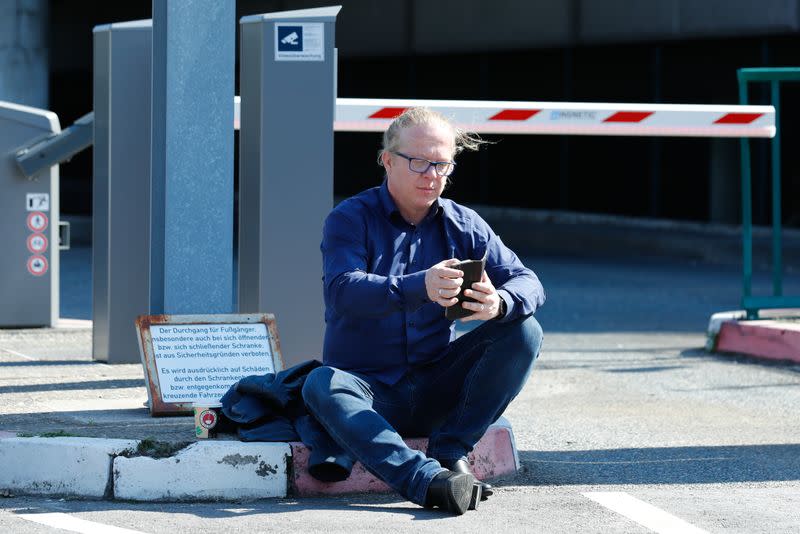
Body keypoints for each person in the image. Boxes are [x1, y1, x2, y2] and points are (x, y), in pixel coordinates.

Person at [302, 107, 545, 515]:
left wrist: (498, 302)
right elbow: (342, 290)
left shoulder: (464, 223)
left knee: (525, 329)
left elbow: (529, 281)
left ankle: (451, 448)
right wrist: (421, 285)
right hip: (368, 390)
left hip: (436, 384)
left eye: (442, 164)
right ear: (387, 160)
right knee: (321, 384)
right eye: (418, 162)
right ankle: (426, 481)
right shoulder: (350, 218)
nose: (430, 175)